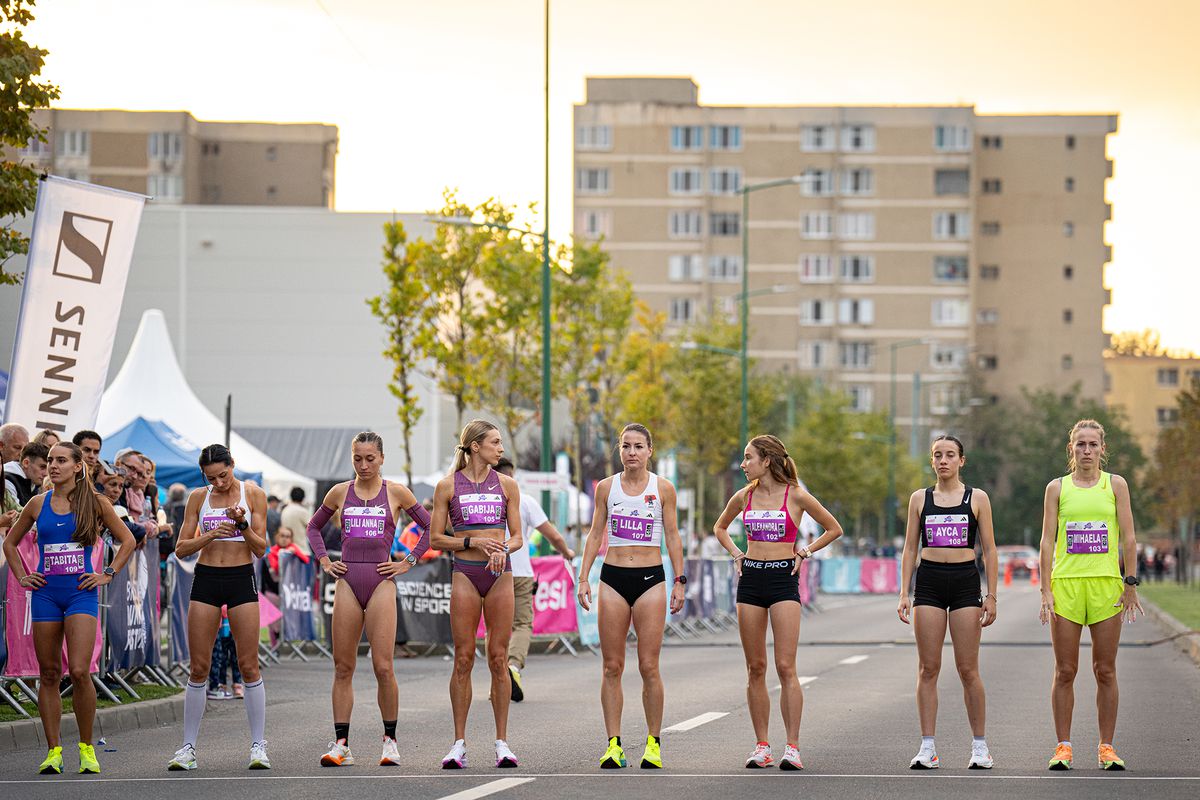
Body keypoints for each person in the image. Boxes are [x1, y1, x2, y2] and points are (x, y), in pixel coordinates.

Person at [711, 434, 843, 771]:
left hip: (784, 579)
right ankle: (762, 745)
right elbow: (720, 527)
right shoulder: (744, 496)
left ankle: (793, 747)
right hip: (751, 580)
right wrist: (737, 554)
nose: (743, 464)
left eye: (748, 457)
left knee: (786, 666)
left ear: (766, 460)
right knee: (755, 668)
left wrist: (805, 551)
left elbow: (833, 528)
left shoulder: (796, 495)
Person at [2, 443, 135, 774]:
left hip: (81, 594)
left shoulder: (96, 503)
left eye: (61, 460)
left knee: (78, 671)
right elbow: (9, 542)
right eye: (50, 460)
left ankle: (87, 748)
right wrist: (22, 575)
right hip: (46, 594)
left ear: (78, 466)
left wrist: (108, 574)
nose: (53, 466)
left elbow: (128, 540)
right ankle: (53, 751)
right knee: (48, 673)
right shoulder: (37, 503)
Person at [306, 431, 431, 768]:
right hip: (348, 581)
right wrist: (323, 560)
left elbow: (432, 525)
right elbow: (312, 528)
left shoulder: (396, 492)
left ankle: (390, 743)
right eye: (357, 459)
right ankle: (341, 744)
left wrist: (409, 561)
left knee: (383, 666)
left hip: (381, 582)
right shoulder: (339, 492)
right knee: (343, 666)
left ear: (382, 458)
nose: (363, 465)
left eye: (370, 458)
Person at [576, 423, 685, 770]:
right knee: (612, 666)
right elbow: (595, 534)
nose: (632, 452)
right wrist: (583, 577)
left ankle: (653, 743)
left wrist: (679, 581)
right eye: (626, 446)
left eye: (639, 446)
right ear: (619, 451)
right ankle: (614, 744)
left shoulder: (663, 488)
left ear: (650, 451)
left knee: (649, 665)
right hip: (613, 577)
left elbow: (672, 535)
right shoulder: (606, 488)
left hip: (651, 579)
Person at [1039, 419, 1141, 771]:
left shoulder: (1116, 485)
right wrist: (1045, 590)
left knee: (1105, 670)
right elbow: (1047, 540)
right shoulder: (1057, 487)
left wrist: (1130, 583)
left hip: (1105, 586)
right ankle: (1063, 747)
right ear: (1071, 449)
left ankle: (1106, 747)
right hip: (1066, 585)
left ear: (1102, 449)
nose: (1086, 450)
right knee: (1065, 670)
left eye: (1092, 445)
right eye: (1080, 444)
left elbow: (1128, 536)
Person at [897, 435, 999, 770]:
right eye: (937, 455)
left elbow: (990, 550)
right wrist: (904, 592)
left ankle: (980, 746)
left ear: (961, 461)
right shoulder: (919, 499)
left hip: (965, 582)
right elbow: (910, 548)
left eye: (950, 455)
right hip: (928, 583)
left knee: (968, 669)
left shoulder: (977, 498)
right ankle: (928, 747)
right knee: (928, 668)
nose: (943, 460)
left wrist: (992, 595)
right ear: (932, 461)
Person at [167, 444, 271, 771]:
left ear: (232, 466)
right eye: (212, 477)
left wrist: (242, 526)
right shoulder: (199, 498)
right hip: (207, 577)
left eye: (223, 475)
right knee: (199, 666)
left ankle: (258, 745)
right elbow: (181, 548)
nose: (220, 482)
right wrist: (209, 535)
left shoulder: (253, 495)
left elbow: (261, 549)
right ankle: (187, 747)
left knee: (248, 663)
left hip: (241, 577)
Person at [429, 420, 523, 770]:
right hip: (465, 574)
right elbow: (436, 539)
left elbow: (517, 537)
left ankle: (502, 743)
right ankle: (458, 743)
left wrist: (503, 550)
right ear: (474, 447)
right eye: (495, 443)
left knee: (498, 658)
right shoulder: (447, 486)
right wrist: (472, 542)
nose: (501, 449)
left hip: (499, 575)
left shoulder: (508, 484)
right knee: (464, 658)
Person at [494, 457, 575, 702]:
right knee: (521, 624)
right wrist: (566, 553)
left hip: (492, 570)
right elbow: (551, 534)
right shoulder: (525, 500)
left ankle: (497, 682)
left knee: (495, 628)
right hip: (520, 572)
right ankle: (513, 667)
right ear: (513, 474)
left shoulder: (484, 500)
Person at [263, 526, 308, 647]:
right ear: (277, 537)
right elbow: (276, 568)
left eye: (288, 537)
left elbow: (306, 560)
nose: (284, 539)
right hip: (273, 589)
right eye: (282, 536)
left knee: (289, 616)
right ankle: (275, 646)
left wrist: (294, 552)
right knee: (274, 619)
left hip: (289, 590)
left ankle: (285, 639)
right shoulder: (272, 551)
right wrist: (281, 556)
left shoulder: (292, 549)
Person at [4, 441, 49, 507]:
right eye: (42, 467)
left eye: (48, 468)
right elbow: (15, 514)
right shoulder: (7, 480)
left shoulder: (34, 481)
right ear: (26, 463)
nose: (46, 474)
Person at [281, 487, 311, 556]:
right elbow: (312, 528)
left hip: (287, 549)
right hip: (301, 550)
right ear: (303, 498)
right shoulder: (302, 511)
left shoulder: (285, 510)